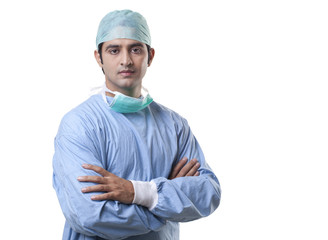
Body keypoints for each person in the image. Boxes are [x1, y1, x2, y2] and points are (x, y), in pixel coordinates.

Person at [52, 9, 221, 240]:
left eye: (135, 49)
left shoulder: (174, 125)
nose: (126, 60)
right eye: (114, 50)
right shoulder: (80, 125)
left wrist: (140, 193)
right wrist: (166, 203)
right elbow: (89, 216)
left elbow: (208, 193)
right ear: (98, 57)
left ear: (150, 56)